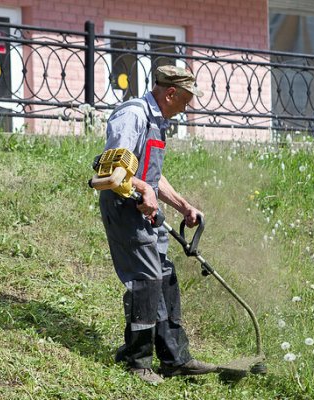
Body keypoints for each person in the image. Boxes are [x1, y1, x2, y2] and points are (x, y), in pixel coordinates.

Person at [98, 65, 216, 384]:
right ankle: (137, 362)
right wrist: (145, 190)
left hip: (143, 207)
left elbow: (152, 174)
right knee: (146, 278)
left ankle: (175, 359)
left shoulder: (158, 122)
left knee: (164, 276)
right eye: (186, 100)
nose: (187, 107)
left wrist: (183, 205)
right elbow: (111, 169)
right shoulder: (133, 115)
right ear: (170, 93)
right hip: (124, 207)